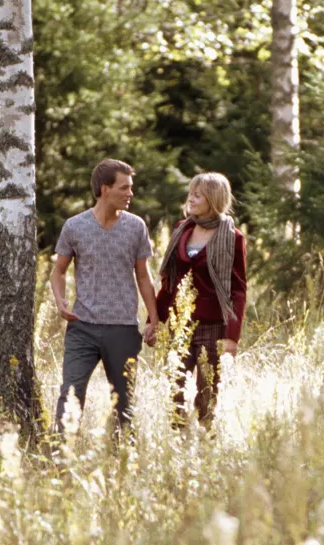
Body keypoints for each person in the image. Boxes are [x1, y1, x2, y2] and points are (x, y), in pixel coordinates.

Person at [51, 158, 158, 434]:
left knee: (124, 405)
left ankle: (122, 465)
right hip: (82, 327)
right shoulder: (75, 227)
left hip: (123, 329)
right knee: (70, 396)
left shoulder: (136, 227)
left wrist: (153, 318)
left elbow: (143, 277)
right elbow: (59, 272)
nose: (130, 193)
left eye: (131, 188)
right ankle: (61, 461)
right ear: (104, 189)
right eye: (124, 188)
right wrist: (60, 301)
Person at [154, 172, 248, 425]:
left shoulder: (233, 237)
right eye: (191, 194)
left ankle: (204, 448)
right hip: (179, 325)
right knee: (174, 393)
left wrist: (231, 336)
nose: (191, 200)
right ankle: (176, 447)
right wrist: (155, 319)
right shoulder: (181, 230)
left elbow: (238, 290)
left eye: (198, 195)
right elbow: (169, 283)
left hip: (213, 327)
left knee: (207, 398)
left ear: (213, 199)